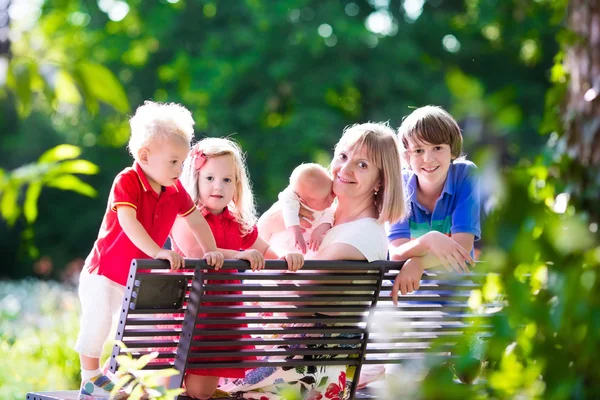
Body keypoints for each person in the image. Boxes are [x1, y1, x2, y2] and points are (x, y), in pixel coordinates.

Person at [220, 122, 406, 399]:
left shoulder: (362, 233)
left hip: (302, 368)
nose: (345, 169)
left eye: (362, 165)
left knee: (190, 373)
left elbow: (298, 300)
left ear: (381, 180)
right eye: (342, 156)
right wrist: (273, 221)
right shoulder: (321, 215)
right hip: (284, 355)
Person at [74, 101, 224, 399]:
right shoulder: (127, 181)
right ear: (144, 156)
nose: (179, 170)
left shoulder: (175, 190)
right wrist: (157, 251)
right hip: (103, 271)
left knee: (129, 331)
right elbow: (128, 221)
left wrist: (212, 249)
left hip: (132, 277)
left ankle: (115, 379)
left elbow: (195, 219)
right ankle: (89, 378)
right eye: (173, 162)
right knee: (98, 321)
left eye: (182, 163)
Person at [169, 137, 304, 400]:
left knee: (201, 391)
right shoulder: (186, 217)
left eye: (227, 180)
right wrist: (241, 255)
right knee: (171, 384)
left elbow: (265, 250)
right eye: (209, 178)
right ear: (195, 180)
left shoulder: (236, 222)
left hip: (221, 318)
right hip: (189, 314)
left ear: (237, 185)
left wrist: (286, 257)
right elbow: (198, 254)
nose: (218, 186)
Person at [388, 105, 480, 303]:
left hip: (456, 299)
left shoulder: (465, 175)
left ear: (452, 150)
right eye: (418, 150)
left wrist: (419, 262)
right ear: (406, 157)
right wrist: (428, 240)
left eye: (437, 148)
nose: (428, 159)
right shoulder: (399, 184)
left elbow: (462, 249)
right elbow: (396, 253)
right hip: (411, 296)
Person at [259, 163, 336, 256]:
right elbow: (289, 212)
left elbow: (330, 214)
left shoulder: (325, 203)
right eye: (325, 199)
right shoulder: (292, 198)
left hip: (307, 248)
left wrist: (319, 230)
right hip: (284, 242)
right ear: (304, 201)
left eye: (331, 192)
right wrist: (296, 232)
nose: (332, 199)